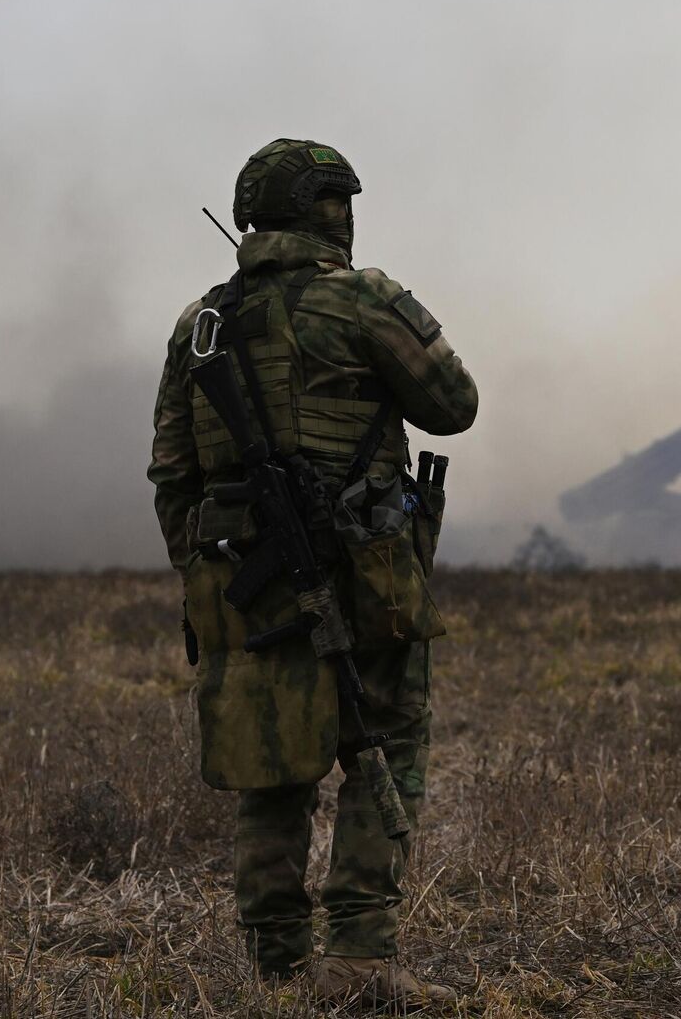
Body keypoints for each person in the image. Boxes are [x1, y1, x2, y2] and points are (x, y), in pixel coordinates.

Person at [148, 138, 477, 1008]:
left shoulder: (201, 325)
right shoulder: (364, 300)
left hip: (242, 587)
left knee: (271, 767)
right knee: (382, 748)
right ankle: (362, 958)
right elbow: (456, 406)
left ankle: (278, 967)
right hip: (367, 576)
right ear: (335, 211)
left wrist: (209, 571)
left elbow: (172, 474)